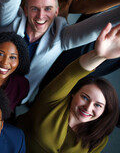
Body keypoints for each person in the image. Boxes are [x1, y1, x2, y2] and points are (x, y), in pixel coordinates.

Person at [16, 22, 120, 152]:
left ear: (105, 111)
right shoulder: (53, 101)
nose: (88, 107)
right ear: (73, 93)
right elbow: (72, 74)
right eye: (85, 98)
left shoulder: (99, 138)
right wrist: (100, 56)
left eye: (98, 105)